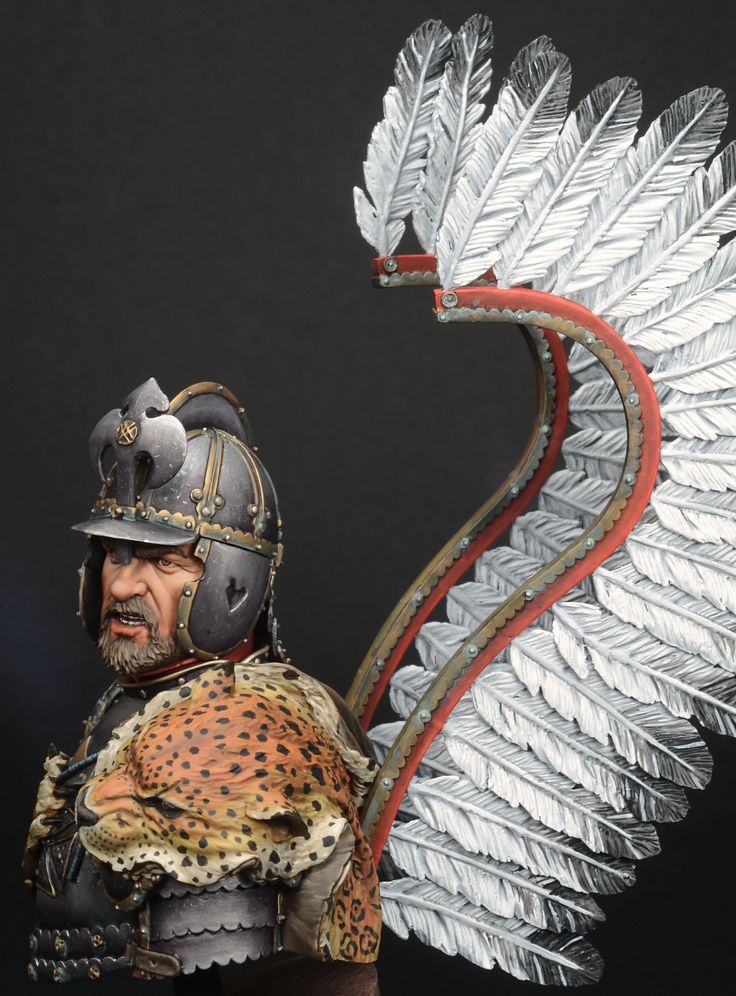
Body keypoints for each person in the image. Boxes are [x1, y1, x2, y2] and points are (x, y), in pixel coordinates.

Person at [23, 378, 381, 992]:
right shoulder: (134, 702)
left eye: (164, 560)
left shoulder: (254, 727)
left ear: (231, 580)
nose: (122, 586)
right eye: (114, 553)